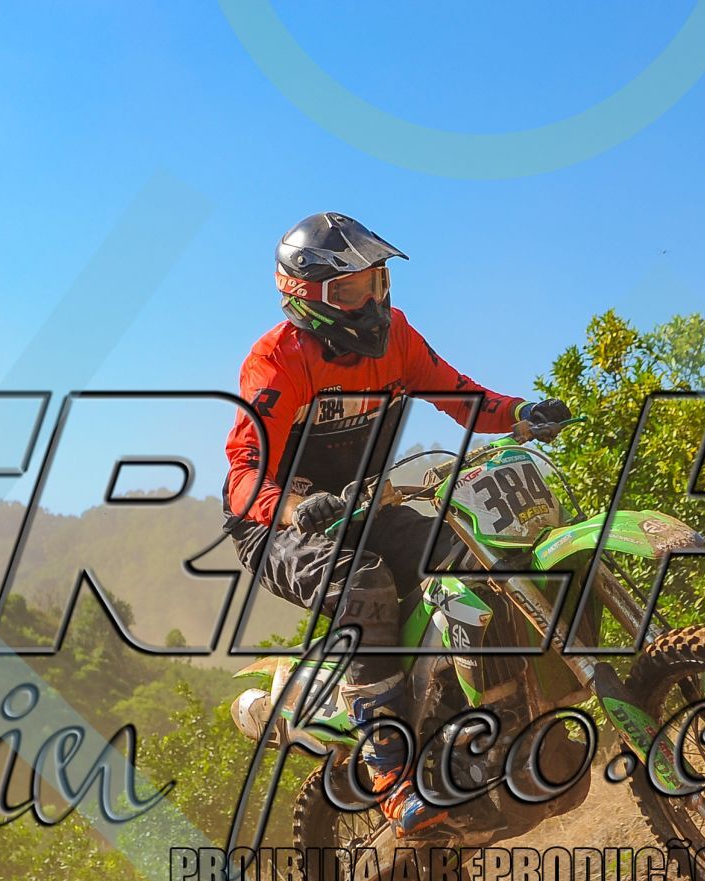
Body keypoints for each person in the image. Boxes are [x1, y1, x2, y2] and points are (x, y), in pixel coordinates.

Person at [223, 212, 571, 836]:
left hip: (363, 503)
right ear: (308, 296)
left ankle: (476, 716)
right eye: (353, 288)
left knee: (465, 555)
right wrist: (296, 508)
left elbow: (461, 394)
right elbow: (243, 475)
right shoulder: (276, 362)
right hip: (276, 524)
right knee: (364, 586)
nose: (372, 300)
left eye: (377, 281)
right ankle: (388, 769)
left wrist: (522, 412)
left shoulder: (398, 337)